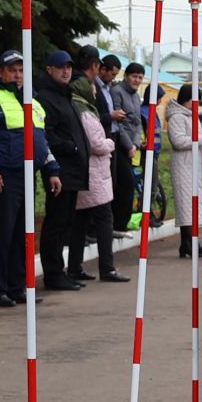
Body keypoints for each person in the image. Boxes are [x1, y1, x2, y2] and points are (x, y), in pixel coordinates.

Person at [0, 47, 61, 306]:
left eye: (21, 70)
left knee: (24, 233)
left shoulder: (32, 101)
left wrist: (52, 170)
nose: (18, 75)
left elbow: (40, 141)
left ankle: (18, 287)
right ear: (0, 72)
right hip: (4, 177)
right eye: (13, 70)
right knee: (4, 233)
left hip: (28, 175)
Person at [33, 48, 90, 287]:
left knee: (65, 222)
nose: (66, 71)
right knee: (56, 223)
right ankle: (54, 274)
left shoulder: (65, 95)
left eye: (68, 67)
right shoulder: (45, 97)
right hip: (59, 170)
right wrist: (70, 147)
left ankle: (60, 271)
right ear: (50, 70)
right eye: (61, 67)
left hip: (73, 171)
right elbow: (47, 134)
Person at [68, 75, 130, 278]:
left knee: (80, 221)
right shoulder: (85, 113)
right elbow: (96, 144)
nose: (95, 92)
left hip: (89, 174)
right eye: (92, 88)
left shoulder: (80, 108)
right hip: (94, 174)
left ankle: (75, 268)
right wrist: (109, 144)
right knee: (104, 219)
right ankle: (107, 267)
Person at [168, 83, 202, 258]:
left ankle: (188, 243)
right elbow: (178, 141)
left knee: (192, 205)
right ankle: (189, 243)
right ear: (186, 99)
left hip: (194, 165)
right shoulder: (177, 117)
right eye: (194, 99)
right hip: (184, 165)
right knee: (187, 205)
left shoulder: (192, 116)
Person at [107, 57, 144, 220]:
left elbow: (137, 124)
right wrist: (129, 145)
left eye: (140, 77)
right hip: (118, 145)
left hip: (131, 148)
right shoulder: (116, 92)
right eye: (134, 76)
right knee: (124, 184)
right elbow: (118, 123)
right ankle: (118, 222)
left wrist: (135, 144)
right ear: (126, 76)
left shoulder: (136, 97)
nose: (137, 80)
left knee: (129, 184)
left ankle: (123, 221)